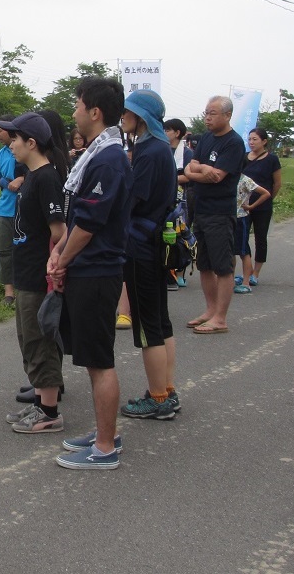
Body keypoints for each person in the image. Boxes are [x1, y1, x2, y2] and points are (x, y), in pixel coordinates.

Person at [49, 76, 132, 470]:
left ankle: (104, 448)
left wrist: (61, 258)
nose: (74, 112)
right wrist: (61, 253)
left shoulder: (109, 158)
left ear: (94, 112)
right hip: (89, 266)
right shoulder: (100, 153)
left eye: (78, 104)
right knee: (94, 358)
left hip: (97, 270)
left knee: (100, 360)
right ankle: (106, 432)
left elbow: (89, 223)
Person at [3, 112, 69, 434]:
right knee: (28, 339)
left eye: (15, 139)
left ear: (31, 143)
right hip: (25, 273)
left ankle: (50, 412)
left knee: (41, 341)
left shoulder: (46, 178)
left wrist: (54, 261)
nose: (11, 144)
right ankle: (40, 403)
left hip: (38, 277)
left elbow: (60, 232)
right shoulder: (31, 176)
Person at [117, 90, 180, 421]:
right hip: (156, 241)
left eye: (128, 111)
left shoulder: (148, 151)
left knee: (147, 329)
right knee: (161, 322)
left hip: (141, 247)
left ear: (141, 116)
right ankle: (167, 390)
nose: (123, 115)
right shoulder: (159, 149)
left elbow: (132, 198)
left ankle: (157, 399)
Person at [183, 95, 246, 333]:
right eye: (206, 113)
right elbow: (191, 167)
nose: (207, 118)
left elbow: (218, 176)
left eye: (213, 113)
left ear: (227, 115)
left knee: (223, 266)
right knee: (204, 264)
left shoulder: (233, 143)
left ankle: (220, 317)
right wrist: (201, 170)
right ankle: (210, 310)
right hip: (202, 209)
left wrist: (197, 172)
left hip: (221, 212)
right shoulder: (207, 137)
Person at [239, 128, 281, 287]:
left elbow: (277, 183)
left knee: (260, 238)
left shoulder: (272, 159)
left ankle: (256, 272)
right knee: (243, 238)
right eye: (249, 139)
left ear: (264, 141)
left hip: (262, 204)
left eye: (255, 139)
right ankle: (246, 272)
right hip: (243, 206)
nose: (251, 142)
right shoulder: (244, 158)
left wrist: (268, 199)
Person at [0, 115, 24, 307]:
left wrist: (21, 180)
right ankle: (9, 292)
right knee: (4, 250)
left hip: (23, 208)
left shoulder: (24, 148)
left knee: (23, 249)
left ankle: (25, 288)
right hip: (5, 208)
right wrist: (2, 181)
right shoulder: (0, 154)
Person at [164, 118, 194, 288]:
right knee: (168, 234)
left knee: (181, 233)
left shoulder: (187, 153)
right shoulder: (163, 149)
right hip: (166, 197)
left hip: (181, 198)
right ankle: (169, 270)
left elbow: (189, 175)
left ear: (177, 133)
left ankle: (180, 272)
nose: (165, 133)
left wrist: (171, 179)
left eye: (168, 130)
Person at [232, 172, 270, 294]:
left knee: (244, 251)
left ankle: (246, 282)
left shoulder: (245, 180)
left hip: (241, 218)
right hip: (229, 217)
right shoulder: (229, 178)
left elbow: (265, 193)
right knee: (230, 251)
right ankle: (230, 281)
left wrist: (251, 206)